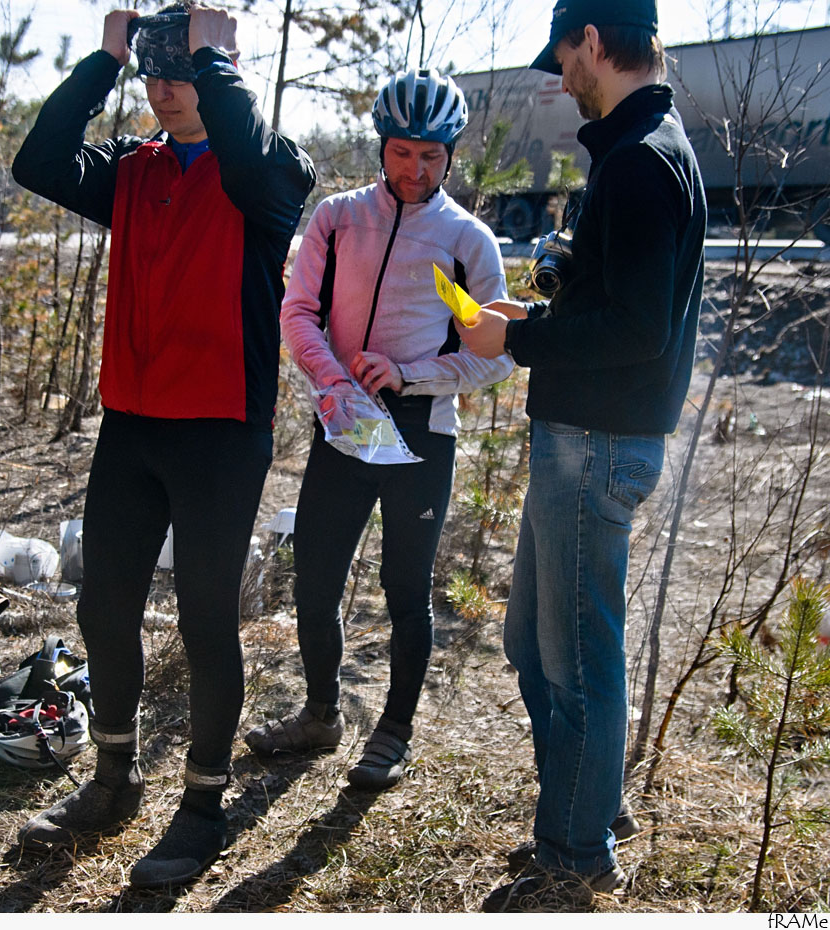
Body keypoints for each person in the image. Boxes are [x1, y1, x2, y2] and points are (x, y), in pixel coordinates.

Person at [9, 2, 315, 889]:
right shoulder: (131, 168)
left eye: (185, 71)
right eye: (155, 73)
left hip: (221, 430)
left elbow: (249, 157)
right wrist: (105, 60)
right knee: (103, 608)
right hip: (132, 426)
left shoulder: (272, 167)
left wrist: (215, 62)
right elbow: (36, 163)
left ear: (222, 70)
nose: (167, 89)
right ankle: (114, 778)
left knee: (206, 619)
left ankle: (203, 807)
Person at [458, 0, 706, 912]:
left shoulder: (640, 161)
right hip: (588, 437)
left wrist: (519, 342)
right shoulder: (644, 149)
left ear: (594, 43)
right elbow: (616, 308)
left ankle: (575, 851)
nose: (562, 79)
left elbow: (637, 330)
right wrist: (530, 317)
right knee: (535, 644)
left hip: (595, 445)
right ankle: (589, 801)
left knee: (575, 664)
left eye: (565, 56)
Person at [244, 70, 513, 790]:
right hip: (345, 424)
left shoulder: (467, 241)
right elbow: (298, 311)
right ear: (381, 147)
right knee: (315, 580)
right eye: (401, 152)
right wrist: (332, 380)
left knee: (405, 588)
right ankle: (320, 715)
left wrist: (409, 374)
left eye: (430, 156)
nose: (414, 170)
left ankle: (393, 733)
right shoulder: (337, 220)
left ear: (451, 156)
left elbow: (495, 354)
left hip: (423, 433)